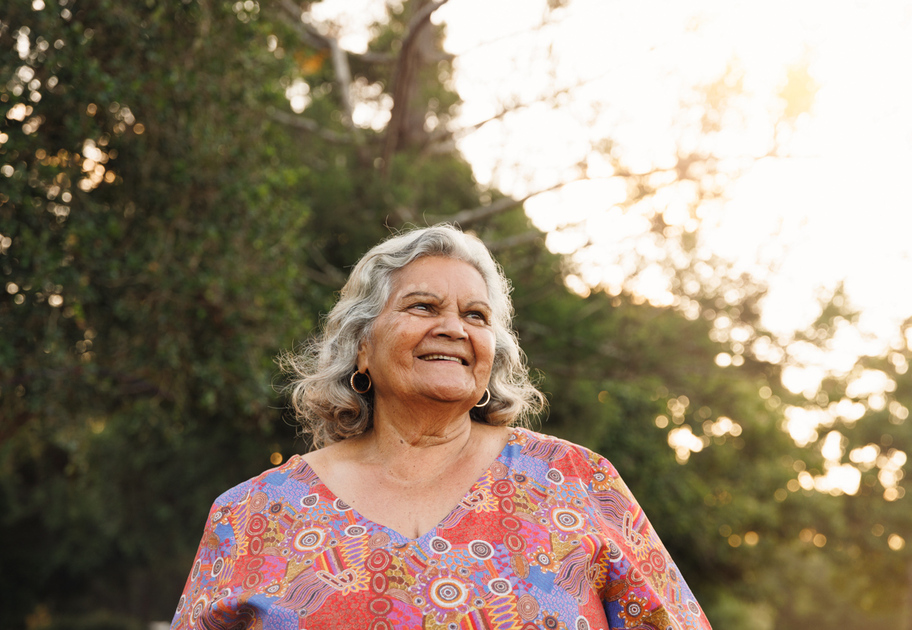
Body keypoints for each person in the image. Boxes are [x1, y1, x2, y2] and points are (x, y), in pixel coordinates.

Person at [170, 224, 712, 629]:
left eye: (476, 316)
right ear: (362, 345)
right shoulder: (251, 515)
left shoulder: (574, 480)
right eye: (423, 306)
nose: (452, 327)